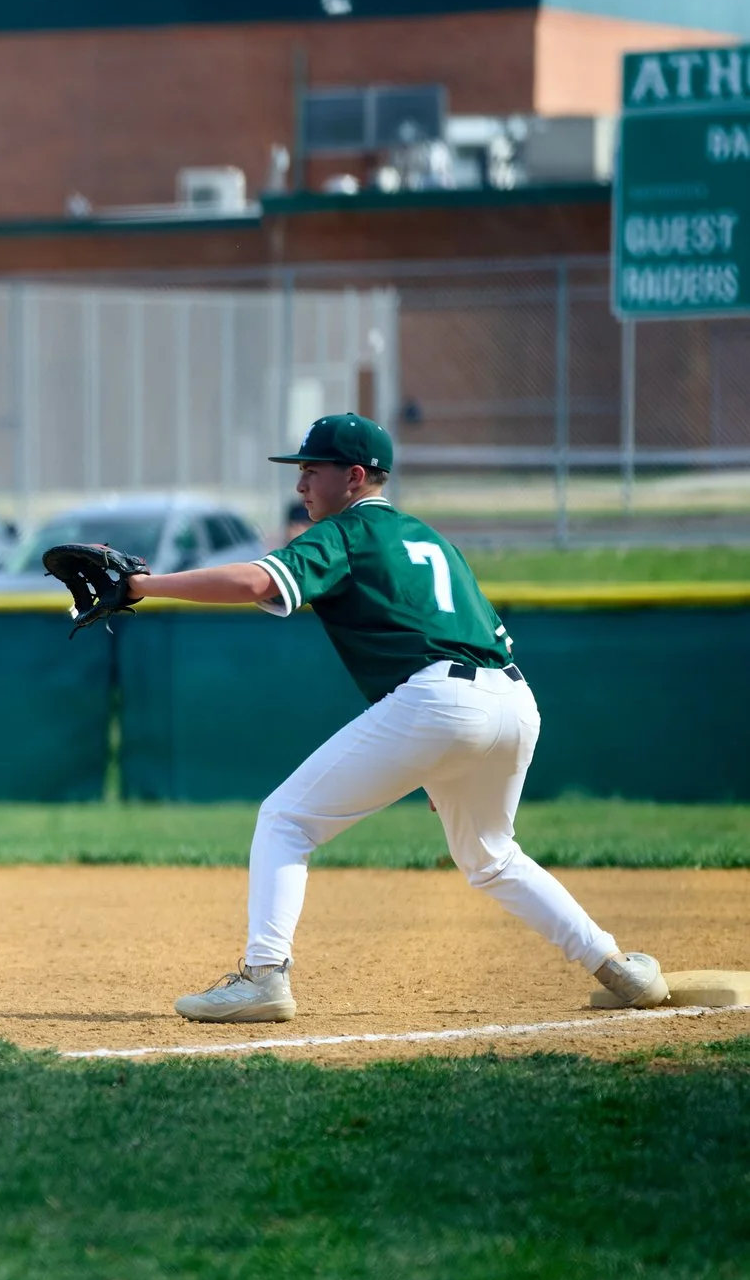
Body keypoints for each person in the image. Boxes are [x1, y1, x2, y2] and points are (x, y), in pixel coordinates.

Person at [116, 413, 668, 1024]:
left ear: (354, 477)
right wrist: (452, 760)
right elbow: (471, 638)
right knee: (493, 857)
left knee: (286, 820)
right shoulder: (434, 540)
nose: (300, 486)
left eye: (311, 470)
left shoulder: (348, 532)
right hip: (512, 698)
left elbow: (254, 582)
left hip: (440, 702)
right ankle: (618, 968)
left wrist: (141, 585)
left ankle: (264, 976)